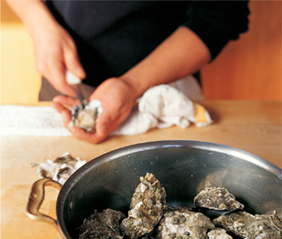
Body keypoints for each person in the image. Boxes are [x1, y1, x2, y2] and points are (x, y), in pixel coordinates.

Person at [7, 0, 249, 144]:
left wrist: (131, 84)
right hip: (63, 82)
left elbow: (219, 16)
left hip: (167, 95)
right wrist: (39, 25)